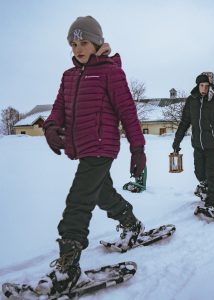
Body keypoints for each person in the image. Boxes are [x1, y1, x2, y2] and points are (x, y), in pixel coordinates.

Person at [35, 16, 146, 295]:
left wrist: (138, 148)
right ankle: (130, 223)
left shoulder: (110, 72)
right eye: (73, 44)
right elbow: (59, 108)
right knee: (100, 194)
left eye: (84, 42)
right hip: (82, 148)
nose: (78, 48)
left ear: (97, 43)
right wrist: (50, 127)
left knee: (78, 201)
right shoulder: (69, 76)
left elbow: (128, 113)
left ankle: (68, 268)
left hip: (102, 146)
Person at [172, 72, 214, 220]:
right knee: (199, 172)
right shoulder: (192, 100)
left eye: (206, 85)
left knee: (212, 174)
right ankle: (208, 190)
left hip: (213, 144)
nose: (203, 88)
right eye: (201, 85)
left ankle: (213, 204)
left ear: (211, 86)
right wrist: (177, 141)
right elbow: (185, 122)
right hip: (198, 145)